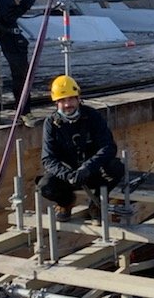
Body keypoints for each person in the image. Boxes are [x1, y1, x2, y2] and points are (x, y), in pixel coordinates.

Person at [38, 74, 125, 223]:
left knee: (116, 168)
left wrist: (87, 168)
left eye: (71, 99)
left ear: (78, 98)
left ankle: (96, 202)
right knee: (45, 187)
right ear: (56, 103)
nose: (67, 104)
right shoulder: (50, 124)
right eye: (62, 101)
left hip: (93, 171)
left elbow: (108, 147)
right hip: (69, 175)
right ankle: (66, 202)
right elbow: (48, 158)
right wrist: (67, 174)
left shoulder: (92, 116)